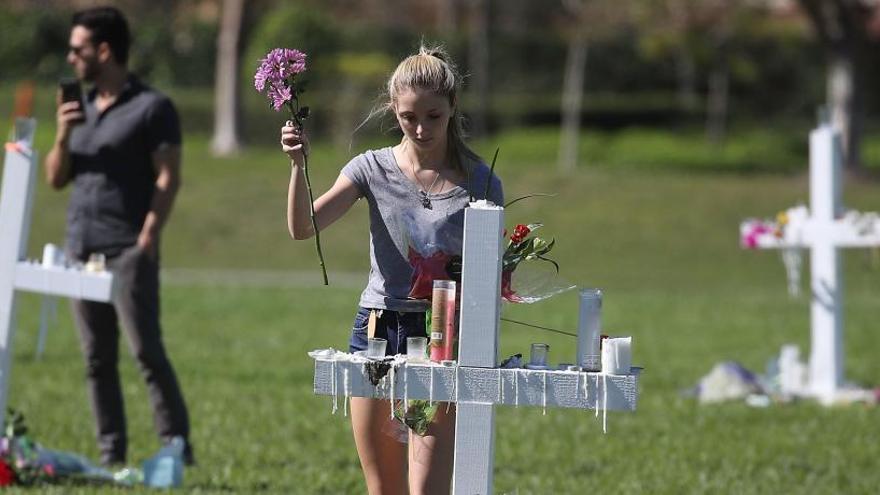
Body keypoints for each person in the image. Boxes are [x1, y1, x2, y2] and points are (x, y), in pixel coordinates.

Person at [281, 45, 503, 495]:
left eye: (433, 116)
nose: (421, 129)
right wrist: (297, 166)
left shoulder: (481, 180)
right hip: (378, 330)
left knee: (427, 490)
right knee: (384, 489)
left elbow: (492, 273)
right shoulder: (370, 168)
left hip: (441, 336)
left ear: (453, 108)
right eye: (408, 116)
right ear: (392, 109)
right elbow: (304, 228)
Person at [44, 6, 193, 467]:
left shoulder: (153, 107)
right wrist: (63, 133)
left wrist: (148, 235)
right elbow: (55, 178)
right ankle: (112, 453)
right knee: (95, 359)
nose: (71, 58)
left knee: (146, 352)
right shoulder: (80, 107)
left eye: (78, 49)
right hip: (80, 247)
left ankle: (176, 448)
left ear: (104, 50)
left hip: (128, 249)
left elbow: (168, 176)